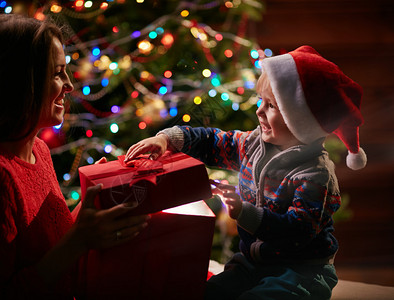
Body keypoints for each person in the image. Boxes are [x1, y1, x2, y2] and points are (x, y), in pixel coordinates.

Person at [125, 45, 367, 299]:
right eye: (261, 101)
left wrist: (244, 212)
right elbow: (212, 141)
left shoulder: (315, 175)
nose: (259, 111)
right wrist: (167, 140)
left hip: (300, 271)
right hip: (253, 262)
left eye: (272, 105)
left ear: (302, 121)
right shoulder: (252, 145)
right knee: (208, 293)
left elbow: (296, 233)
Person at [0, 14, 149, 299]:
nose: (69, 86)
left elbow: (45, 252)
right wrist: (79, 240)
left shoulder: (37, 150)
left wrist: (92, 202)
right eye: (57, 73)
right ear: (18, 82)